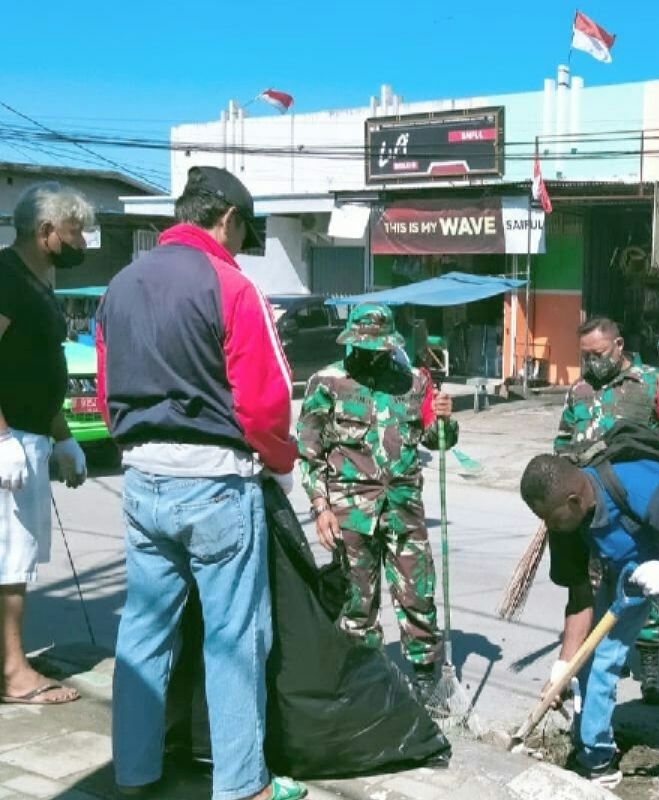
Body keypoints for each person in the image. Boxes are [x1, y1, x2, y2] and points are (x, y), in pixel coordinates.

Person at [98, 166, 306, 800]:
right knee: (233, 637)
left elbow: (108, 394)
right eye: (244, 229)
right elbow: (265, 403)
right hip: (216, 483)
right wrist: (281, 461)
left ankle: (133, 772)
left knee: (143, 629)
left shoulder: (120, 283)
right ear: (228, 219)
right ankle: (243, 784)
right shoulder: (231, 285)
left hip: (141, 479)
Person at [520, 454, 659, 798]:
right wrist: (563, 667)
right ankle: (597, 760)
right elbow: (579, 597)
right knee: (598, 660)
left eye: (549, 518)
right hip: (633, 568)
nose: (547, 526)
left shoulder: (637, 488)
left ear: (573, 502)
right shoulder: (564, 523)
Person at [296, 303, 455, 703]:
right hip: (351, 514)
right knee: (356, 604)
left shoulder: (414, 382)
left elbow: (439, 441)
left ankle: (425, 680)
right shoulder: (327, 384)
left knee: (419, 595)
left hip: (403, 510)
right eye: (363, 347)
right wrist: (321, 507)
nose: (370, 354)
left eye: (378, 348)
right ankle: (363, 686)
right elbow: (309, 453)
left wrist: (445, 421)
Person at [554, 316, 659, 705]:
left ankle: (651, 664)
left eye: (598, 354)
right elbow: (563, 440)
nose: (592, 363)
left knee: (642, 585)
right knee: (591, 589)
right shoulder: (579, 391)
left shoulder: (654, 383)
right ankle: (588, 675)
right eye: (585, 356)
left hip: (637, 505)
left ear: (619, 345)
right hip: (588, 509)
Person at [0, 183, 92, 706]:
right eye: (74, 230)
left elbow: (38, 369)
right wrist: (3, 437)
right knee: (8, 561)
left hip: (33, 435)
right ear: (45, 231)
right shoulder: (6, 278)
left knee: (17, 559)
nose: (81, 241)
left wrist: (65, 439)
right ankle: (14, 676)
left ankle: (10, 662)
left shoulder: (38, 282)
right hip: (8, 439)